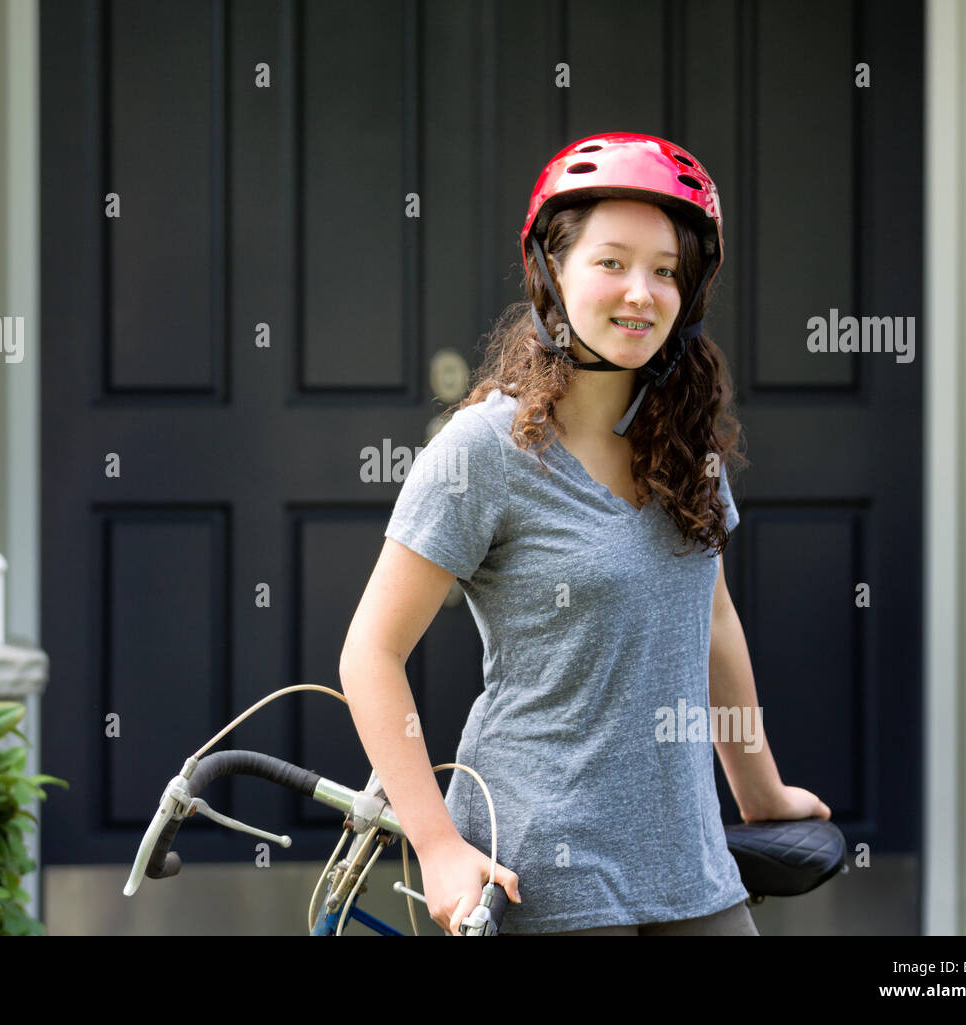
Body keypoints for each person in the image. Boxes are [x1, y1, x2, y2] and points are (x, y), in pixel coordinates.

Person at [337, 132, 831, 936]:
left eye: (666, 269)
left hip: (691, 860)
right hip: (540, 872)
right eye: (612, 262)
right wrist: (437, 845)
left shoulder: (683, 445)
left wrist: (761, 791)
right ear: (551, 273)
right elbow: (370, 654)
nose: (642, 291)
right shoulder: (484, 452)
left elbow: (713, 619)